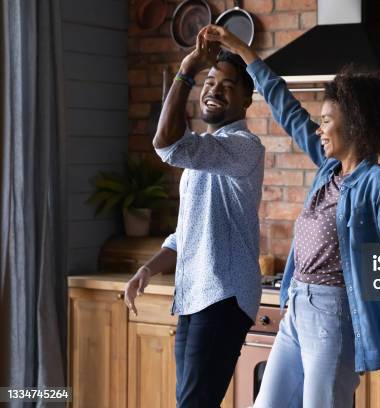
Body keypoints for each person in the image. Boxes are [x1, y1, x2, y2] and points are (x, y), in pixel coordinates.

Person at [204, 25, 380, 408]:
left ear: (356, 124)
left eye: (327, 120)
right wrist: (243, 50)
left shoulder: (379, 184)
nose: (320, 129)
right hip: (297, 306)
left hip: (336, 316)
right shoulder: (329, 170)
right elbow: (285, 106)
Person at [123, 28, 265, 408]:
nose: (213, 90)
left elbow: (166, 143)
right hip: (193, 296)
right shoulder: (201, 158)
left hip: (222, 296)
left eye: (228, 86)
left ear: (247, 100)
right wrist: (147, 270)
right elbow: (184, 234)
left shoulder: (242, 148)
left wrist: (187, 68)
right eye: (209, 81)